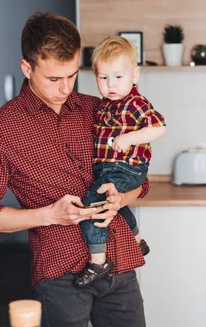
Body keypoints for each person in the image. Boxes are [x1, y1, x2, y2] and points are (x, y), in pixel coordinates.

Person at [0, 11, 149, 327]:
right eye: (54, 78)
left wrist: (122, 197)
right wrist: (50, 214)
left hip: (120, 264)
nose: (65, 88)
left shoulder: (100, 110)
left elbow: (141, 182)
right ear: (27, 68)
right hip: (59, 274)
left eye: (72, 75)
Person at [75, 36, 166, 287]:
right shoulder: (105, 105)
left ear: (134, 75)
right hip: (109, 169)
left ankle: (98, 261)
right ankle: (138, 240)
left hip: (127, 168)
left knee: (93, 205)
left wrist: (130, 138)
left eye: (118, 77)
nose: (110, 84)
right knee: (116, 205)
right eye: (103, 78)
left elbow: (159, 128)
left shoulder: (136, 103)